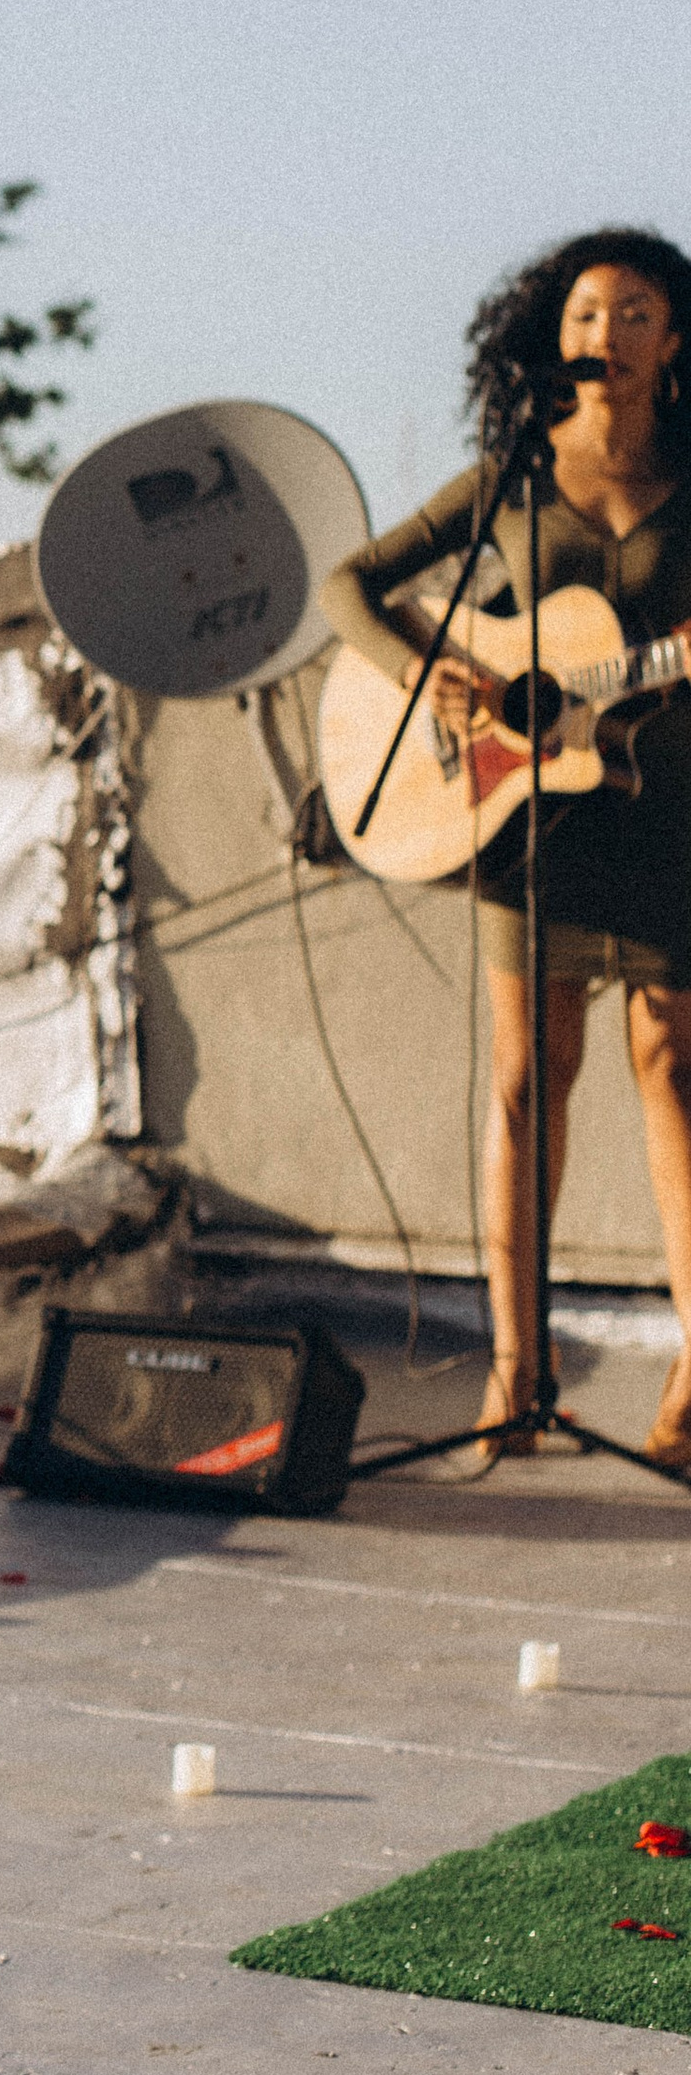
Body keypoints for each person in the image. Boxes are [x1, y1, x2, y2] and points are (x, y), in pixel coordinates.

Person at [321, 230, 691, 1467]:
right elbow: (350, 586)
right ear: (555, 337)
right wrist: (436, 684)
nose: (605, 332)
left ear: (673, 341)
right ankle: (513, 1377)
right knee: (529, 1078)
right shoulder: (510, 477)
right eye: (586, 312)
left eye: (634, 311)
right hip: (524, 816)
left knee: (673, 1074)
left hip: (668, 806)